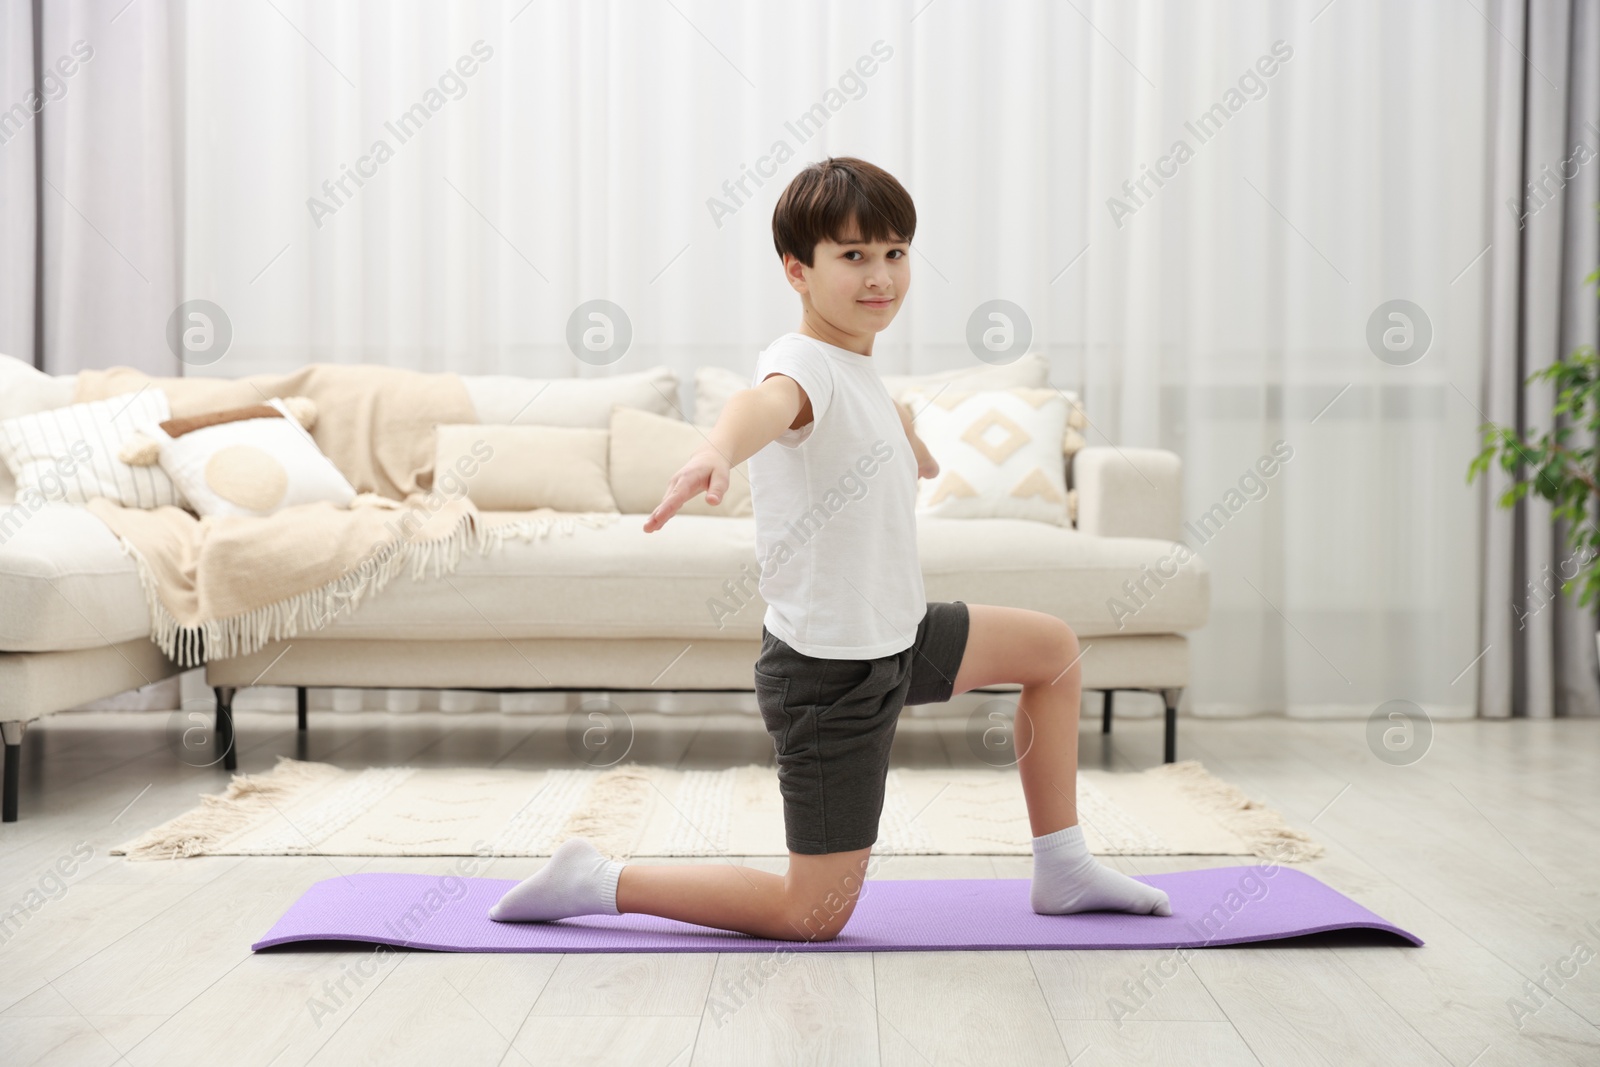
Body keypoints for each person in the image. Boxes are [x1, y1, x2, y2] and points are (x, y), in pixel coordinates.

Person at [488, 156, 1171, 939]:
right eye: (853, 256)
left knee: (1052, 650)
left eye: (894, 253)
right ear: (798, 270)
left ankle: (1064, 865)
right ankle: (597, 878)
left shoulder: (858, 366)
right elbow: (766, 405)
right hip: (828, 675)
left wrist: (908, 441)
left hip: (902, 635)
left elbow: (860, 429)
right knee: (810, 913)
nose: (880, 275)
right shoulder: (802, 361)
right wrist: (718, 447)